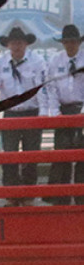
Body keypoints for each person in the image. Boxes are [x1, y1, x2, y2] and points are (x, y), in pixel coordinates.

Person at [0, 23, 49, 196]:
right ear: (8, 45)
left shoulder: (37, 61)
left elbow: (42, 88)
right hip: (10, 114)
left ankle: (29, 193)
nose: (17, 46)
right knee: (9, 154)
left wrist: (43, 113)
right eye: (13, 43)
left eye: (20, 42)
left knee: (31, 154)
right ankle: (10, 193)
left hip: (32, 112)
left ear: (26, 44)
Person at [44, 23, 83, 204]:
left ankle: (81, 195)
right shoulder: (55, 61)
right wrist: (55, 111)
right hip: (63, 109)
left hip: (82, 108)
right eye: (67, 42)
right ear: (63, 43)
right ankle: (60, 195)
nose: (70, 45)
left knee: (82, 155)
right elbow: (50, 87)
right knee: (62, 152)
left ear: (78, 43)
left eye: (73, 42)